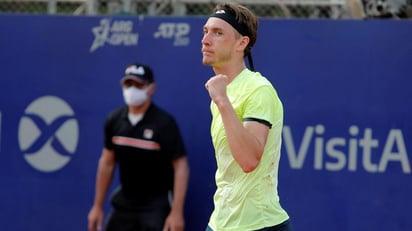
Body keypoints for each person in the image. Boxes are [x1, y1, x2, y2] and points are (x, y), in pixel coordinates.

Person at [201, 3, 292, 231]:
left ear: (242, 43)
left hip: (259, 225)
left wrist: (222, 101)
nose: (206, 40)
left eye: (218, 33)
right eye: (206, 31)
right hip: (220, 223)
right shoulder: (224, 89)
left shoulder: (258, 90)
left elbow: (249, 160)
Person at [88, 63, 189, 231]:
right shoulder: (114, 120)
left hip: (157, 205)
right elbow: (107, 163)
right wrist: (97, 206)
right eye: (128, 84)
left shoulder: (164, 123)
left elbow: (181, 167)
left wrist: (176, 212)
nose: (132, 89)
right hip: (125, 202)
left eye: (139, 84)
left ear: (151, 88)